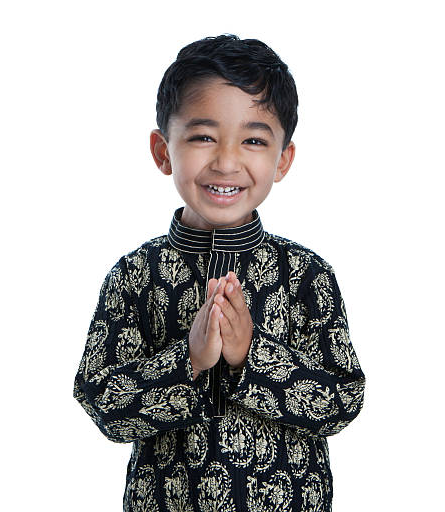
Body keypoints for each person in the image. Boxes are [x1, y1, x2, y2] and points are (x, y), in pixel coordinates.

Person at [73, 34, 365, 511]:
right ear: (163, 150)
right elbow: (102, 403)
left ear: (282, 159)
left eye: (253, 140)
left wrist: (253, 355)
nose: (227, 161)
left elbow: (342, 401)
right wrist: (186, 361)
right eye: (203, 136)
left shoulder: (306, 275)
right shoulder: (135, 275)